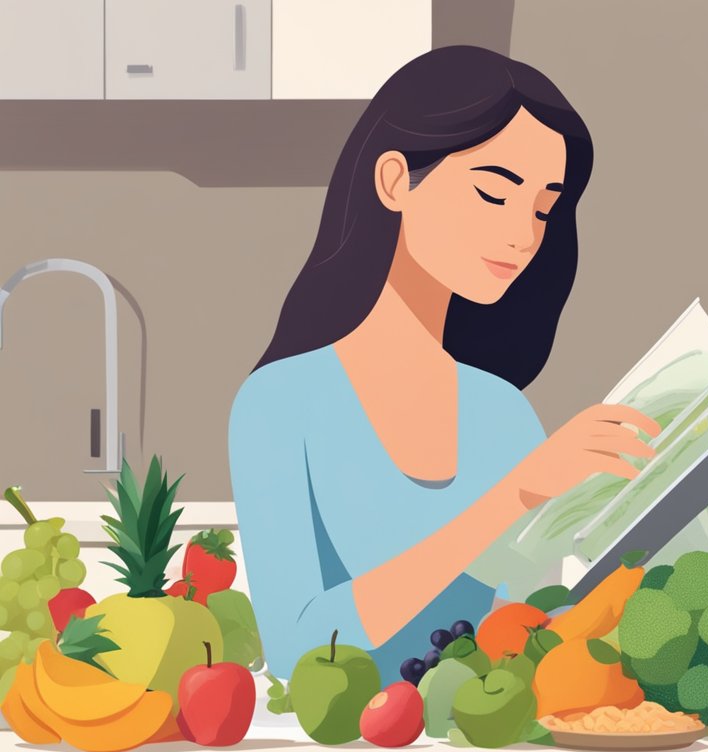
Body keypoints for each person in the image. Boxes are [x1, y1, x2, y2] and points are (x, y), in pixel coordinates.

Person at [228, 46, 658, 683]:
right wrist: (513, 496)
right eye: (494, 192)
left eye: (543, 208)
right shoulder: (279, 404)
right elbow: (299, 651)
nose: (524, 235)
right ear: (395, 180)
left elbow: (532, 624)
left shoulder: (502, 411)